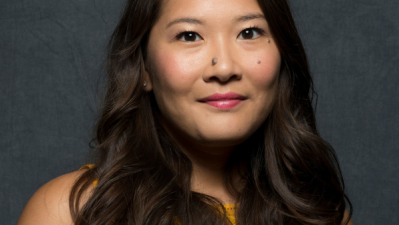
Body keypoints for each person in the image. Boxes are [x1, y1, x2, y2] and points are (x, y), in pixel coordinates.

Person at [17, 0, 353, 224]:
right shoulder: (69, 212)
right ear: (144, 69)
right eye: (189, 35)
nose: (224, 67)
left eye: (249, 32)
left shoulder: (321, 213)